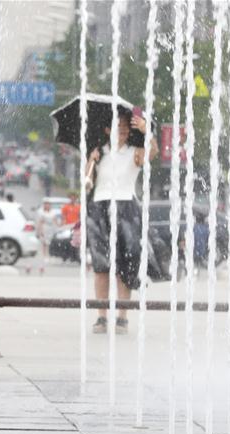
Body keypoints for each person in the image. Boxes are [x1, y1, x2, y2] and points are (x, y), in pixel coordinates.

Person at [85, 110, 158, 334]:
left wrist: (148, 133)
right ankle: (101, 316)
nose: (123, 131)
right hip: (99, 206)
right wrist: (91, 162)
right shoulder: (98, 153)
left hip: (126, 206)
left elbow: (152, 153)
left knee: (124, 265)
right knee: (101, 266)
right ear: (107, 130)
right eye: (118, 127)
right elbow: (87, 183)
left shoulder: (134, 152)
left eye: (126, 128)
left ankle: (122, 316)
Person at [35, 200, 60, 271]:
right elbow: (40, 222)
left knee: (50, 242)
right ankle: (44, 255)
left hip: (51, 228)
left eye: (48, 204)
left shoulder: (53, 213)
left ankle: (48, 254)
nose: (47, 206)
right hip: (45, 227)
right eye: (46, 204)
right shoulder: (42, 213)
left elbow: (55, 221)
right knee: (44, 243)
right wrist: (39, 231)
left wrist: (58, 227)